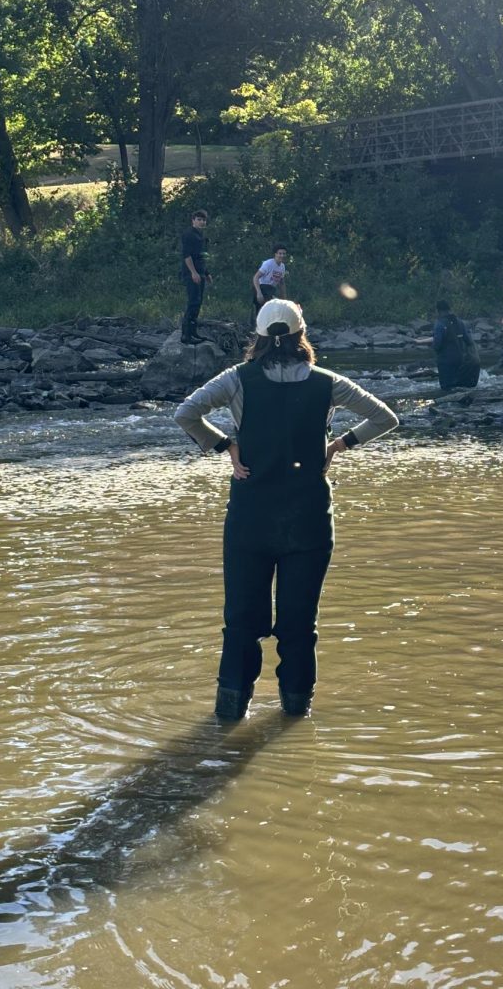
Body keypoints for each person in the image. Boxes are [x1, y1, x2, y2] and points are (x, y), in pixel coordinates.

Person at [174, 299, 399, 721]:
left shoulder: (236, 380)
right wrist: (339, 445)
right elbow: (384, 417)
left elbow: (186, 413)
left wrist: (225, 445)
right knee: (299, 627)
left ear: (258, 337)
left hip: (250, 520)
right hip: (309, 520)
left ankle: (226, 722)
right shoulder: (326, 382)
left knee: (240, 623)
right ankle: (295, 720)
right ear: (302, 335)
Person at [432, 300, 480, 390]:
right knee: (458, 386)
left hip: (445, 362)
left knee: (446, 388)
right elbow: (468, 341)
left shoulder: (439, 324)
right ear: (449, 309)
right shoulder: (459, 322)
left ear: (438, 311)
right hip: (460, 360)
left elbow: (437, 345)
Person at [180, 209, 211, 345]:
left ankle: (193, 332)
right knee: (193, 302)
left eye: (203, 220)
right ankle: (186, 335)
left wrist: (207, 273)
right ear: (193, 220)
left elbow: (201, 257)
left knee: (198, 302)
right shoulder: (189, 235)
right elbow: (187, 256)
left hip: (201, 272)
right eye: (199, 219)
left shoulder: (201, 236)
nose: (201, 222)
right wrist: (193, 272)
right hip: (191, 273)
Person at [251, 244, 288, 320]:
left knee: (271, 310)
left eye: (284, 254)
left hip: (271, 290)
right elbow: (256, 277)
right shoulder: (268, 264)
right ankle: (255, 327)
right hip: (262, 288)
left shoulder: (282, 266)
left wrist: (284, 297)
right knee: (263, 310)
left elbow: (281, 282)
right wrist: (259, 293)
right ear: (275, 254)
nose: (282, 256)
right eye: (280, 253)